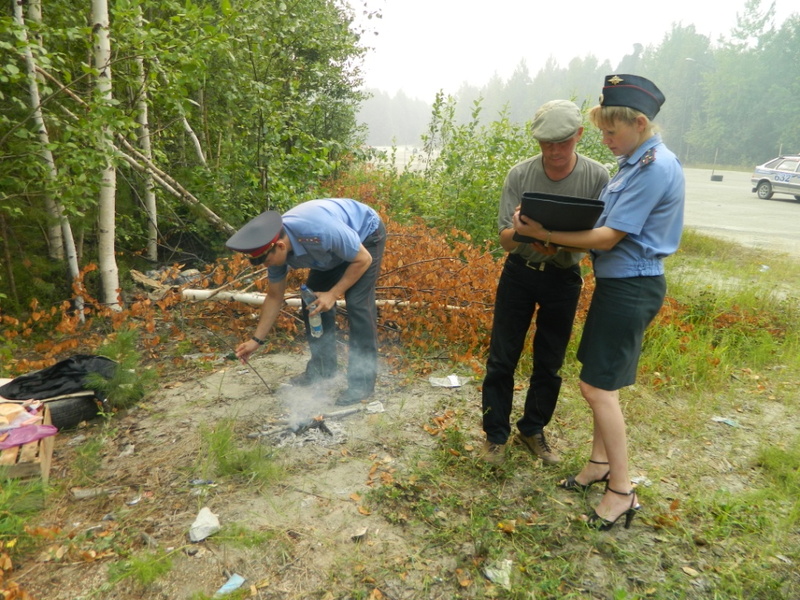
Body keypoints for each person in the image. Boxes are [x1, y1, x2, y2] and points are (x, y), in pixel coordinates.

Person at [516, 74, 684, 530]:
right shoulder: (634, 162)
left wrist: (543, 233)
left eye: (612, 132)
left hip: (632, 287)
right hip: (617, 286)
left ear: (639, 123)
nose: (606, 140)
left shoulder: (654, 168)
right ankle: (598, 464)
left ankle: (621, 491)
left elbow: (609, 237)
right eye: (604, 132)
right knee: (597, 377)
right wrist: (553, 239)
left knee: (597, 389)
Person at [480, 100, 610, 466]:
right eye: (546, 143)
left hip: (564, 277)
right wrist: (524, 234)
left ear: (580, 136)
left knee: (549, 363)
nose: (554, 151)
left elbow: (603, 234)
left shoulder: (598, 177)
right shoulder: (519, 175)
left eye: (563, 142)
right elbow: (504, 239)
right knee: (502, 358)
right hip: (520, 272)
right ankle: (495, 436)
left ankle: (532, 429)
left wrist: (554, 237)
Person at [227, 198, 386, 406]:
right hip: (333, 251)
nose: (266, 266)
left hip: (366, 237)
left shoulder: (320, 232)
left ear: (280, 246)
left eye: (266, 261)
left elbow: (362, 259)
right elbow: (275, 296)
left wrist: (334, 293)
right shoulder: (274, 250)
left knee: (357, 303)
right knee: (312, 300)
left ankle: (362, 383)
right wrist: (255, 341)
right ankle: (323, 370)